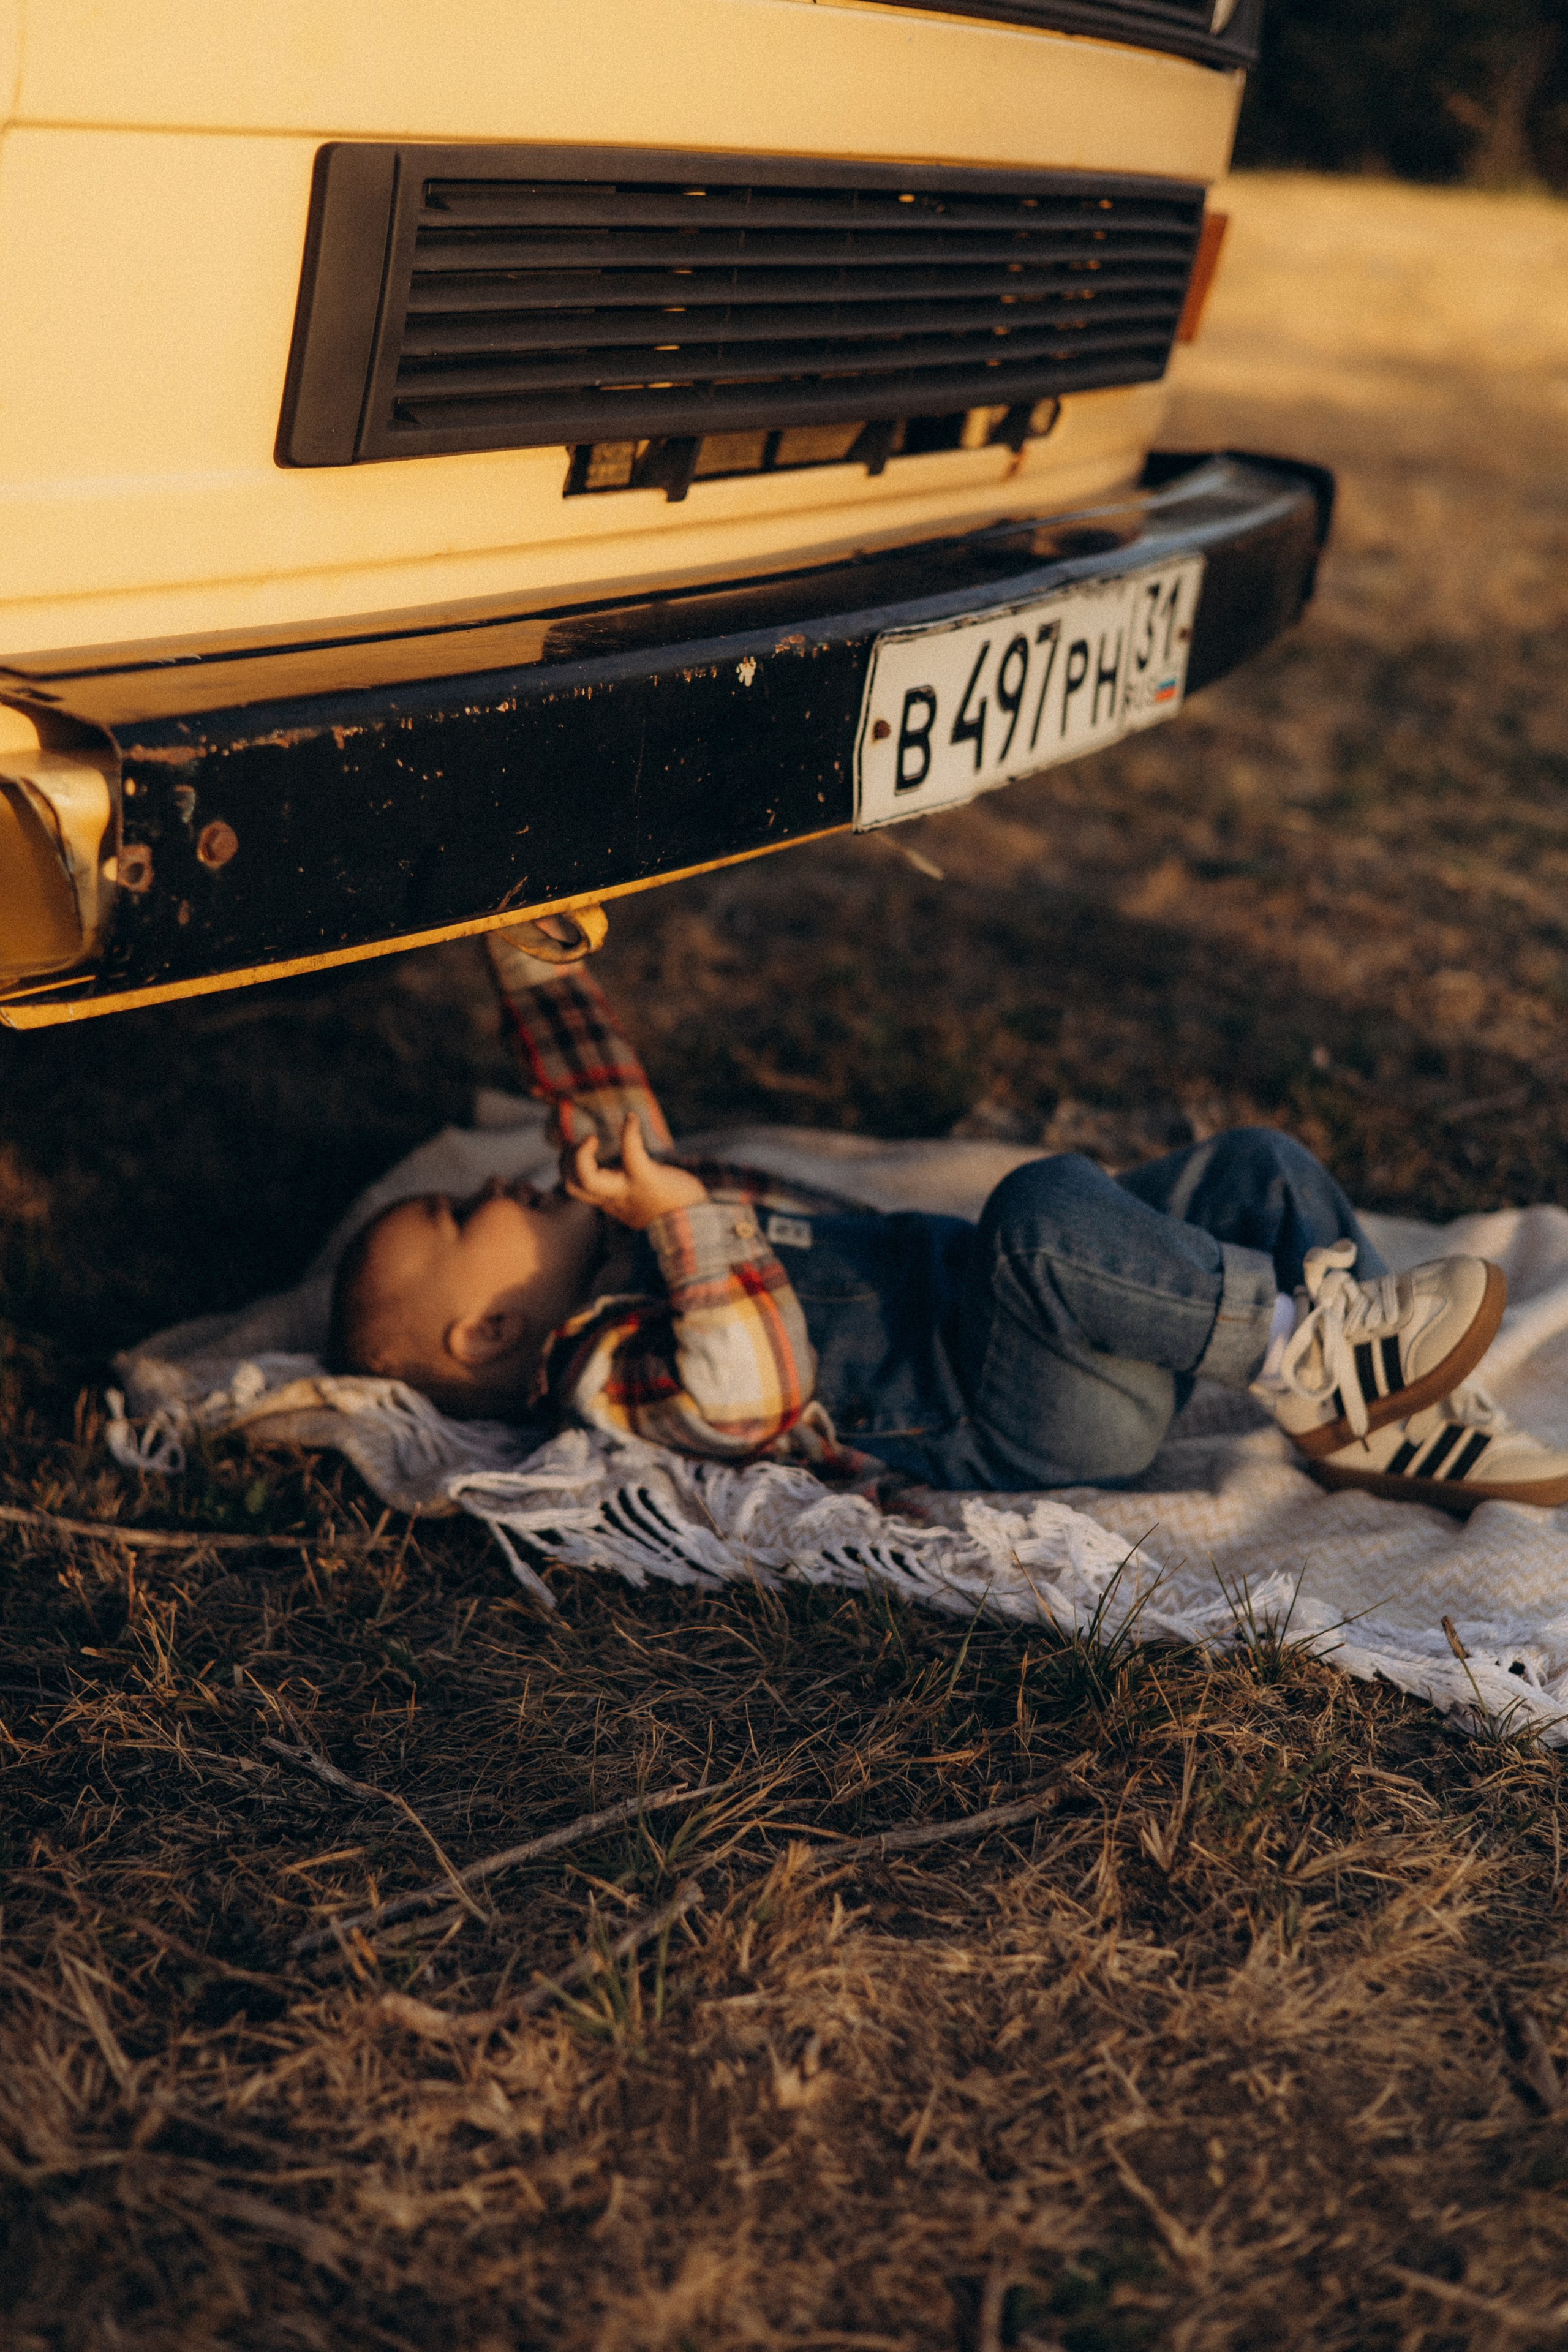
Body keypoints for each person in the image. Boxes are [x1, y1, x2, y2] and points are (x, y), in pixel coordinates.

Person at [328, 927, 1568, 1513]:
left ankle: (1367, 1411)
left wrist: (524, 948)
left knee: (1257, 1166)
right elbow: (746, 1396)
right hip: (1022, 1416)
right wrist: (687, 1221)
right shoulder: (603, 1367)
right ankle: (1301, 1349)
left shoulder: (617, 1219)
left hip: (1034, 1326)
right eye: (454, 1211)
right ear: (491, 1335)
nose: (495, 1184)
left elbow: (596, 1094)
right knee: (1037, 1211)